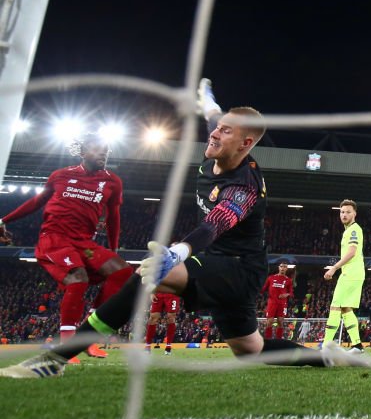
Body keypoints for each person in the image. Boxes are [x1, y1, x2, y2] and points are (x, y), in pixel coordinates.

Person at [0, 80, 333, 378]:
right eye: (218, 128)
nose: (216, 132)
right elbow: (213, 116)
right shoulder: (221, 143)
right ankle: (326, 359)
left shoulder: (244, 187)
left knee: (149, 273)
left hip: (238, 268)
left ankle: (55, 359)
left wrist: (178, 252)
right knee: (252, 351)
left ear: (246, 144)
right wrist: (207, 98)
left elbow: (214, 225)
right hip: (220, 264)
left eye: (226, 131)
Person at [0, 133, 132, 364]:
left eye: (106, 150)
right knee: (77, 278)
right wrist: (3, 221)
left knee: (122, 271)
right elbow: (36, 202)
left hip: (84, 242)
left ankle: (89, 335)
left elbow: (114, 217)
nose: (103, 153)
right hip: (55, 238)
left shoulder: (112, 181)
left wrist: (113, 249)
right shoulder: (61, 175)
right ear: (82, 152)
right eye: (97, 149)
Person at [321, 199, 365, 354]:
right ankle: (357, 346)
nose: (344, 215)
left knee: (335, 306)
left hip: (350, 274)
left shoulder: (353, 230)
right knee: (346, 309)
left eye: (348, 212)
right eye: (342, 212)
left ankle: (326, 345)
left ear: (354, 214)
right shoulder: (349, 230)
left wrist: (333, 268)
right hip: (354, 273)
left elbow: (352, 252)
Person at [262, 263, 294, 340]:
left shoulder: (288, 280)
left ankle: (278, 340)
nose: (283, 268)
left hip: (282, 304)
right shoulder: (271, 278)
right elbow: (263, 289)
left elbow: (291, 293)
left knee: (280, 321)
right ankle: (268, 340)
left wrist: (286, 295)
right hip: (272, 303)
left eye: (285, 267)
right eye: (281, 266)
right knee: (269, 321)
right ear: (278, 268)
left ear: (287, 269)